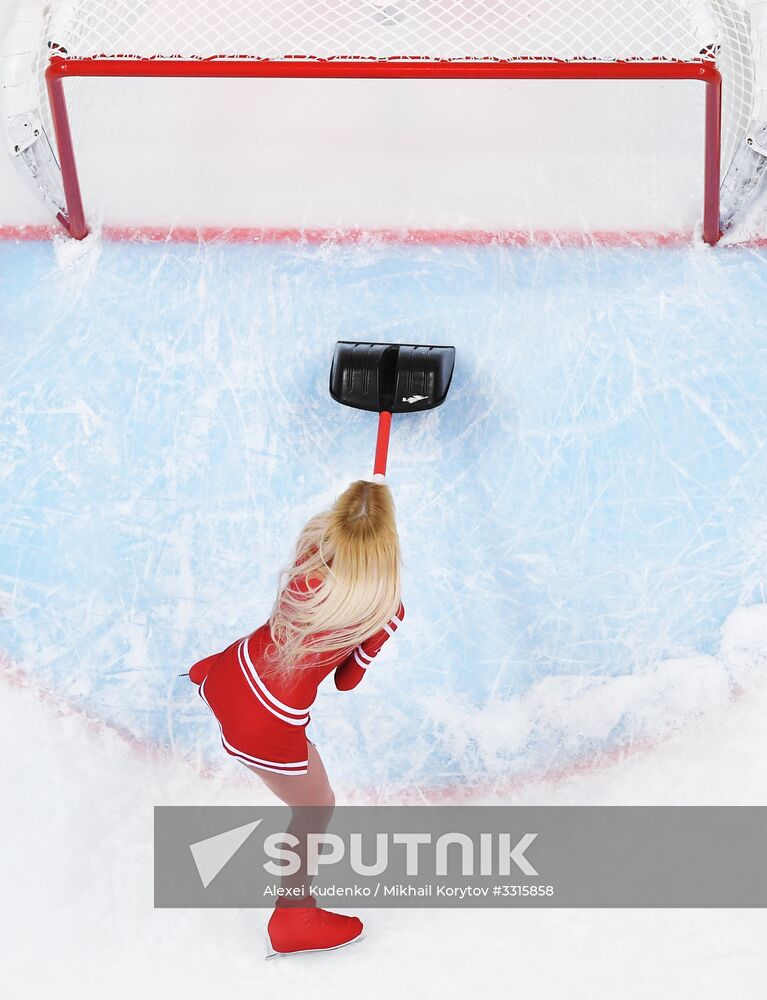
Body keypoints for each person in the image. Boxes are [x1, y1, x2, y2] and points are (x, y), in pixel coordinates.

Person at [189, 479, 405, 956]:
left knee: (246, 670)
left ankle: (209, 678)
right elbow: (346, 682)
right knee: (315, 807)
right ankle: (294, 917)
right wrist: (372, 631)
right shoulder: (385, 607)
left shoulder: (311, 545)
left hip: (230, 669)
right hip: (265, 722)